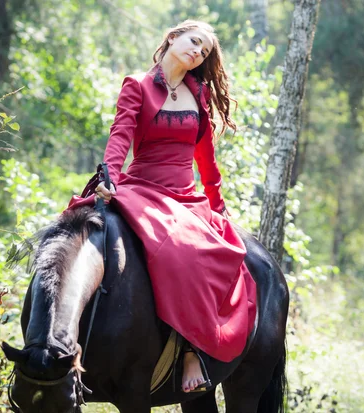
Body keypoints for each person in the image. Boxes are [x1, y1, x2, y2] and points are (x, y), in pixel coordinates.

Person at [67, 20, 257, 393]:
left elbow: (207, 159)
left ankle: (191, 351)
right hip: (142, 187)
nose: (197, 52)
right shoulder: (137, 85)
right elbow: (120, 136)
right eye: (194, 42)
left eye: (203, 52)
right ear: (173, 37)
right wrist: (110, 177)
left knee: (204, 251)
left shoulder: (198, 94)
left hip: (185, 194)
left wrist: (217, 205)